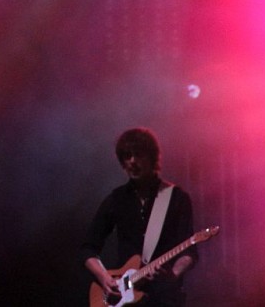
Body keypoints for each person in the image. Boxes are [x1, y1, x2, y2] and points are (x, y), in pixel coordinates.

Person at [80, 127, 198, 307]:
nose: (133, 161)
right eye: (127, 156)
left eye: (139, 155)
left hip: (164, 299)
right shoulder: (116, 199)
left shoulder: (176, 198)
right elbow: (88, 248)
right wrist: (104, 278)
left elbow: (189, 252)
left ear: (152, 158)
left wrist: (172, 275)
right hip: (124, 298)